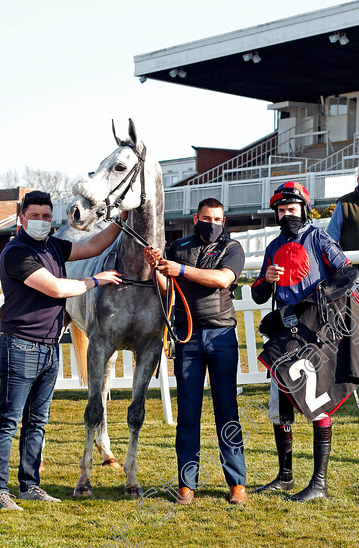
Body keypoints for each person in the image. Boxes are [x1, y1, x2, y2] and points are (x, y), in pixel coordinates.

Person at [0, 191, 124, 511]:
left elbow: (93, 245)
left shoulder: (54, 245)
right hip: (21, 344)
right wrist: (96, 280)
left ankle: (29, 484)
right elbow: (57, 288)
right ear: (22, 218)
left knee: (38, 421)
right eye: (35, 216)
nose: (41, 221)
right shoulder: (16, 252)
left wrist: (122, 221)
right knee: (9, 420)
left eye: (47, 217)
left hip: (49, 347)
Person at [251, 181, 350, 502]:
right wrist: (265, 281)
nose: (285, 216)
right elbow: (257, 294)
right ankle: (285, 477)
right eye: (280, 211)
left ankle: (318, 484)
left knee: (317, 401)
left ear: (303, 210)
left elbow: (348, 273)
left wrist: (323, 293)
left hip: (314, 331)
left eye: (291, 210)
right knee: (281, 407)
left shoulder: (318, 237)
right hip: (283, 330)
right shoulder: (273, 246)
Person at [146, 198, 247, 506]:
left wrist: (182, 269)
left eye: (218, 218)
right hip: (187, 337)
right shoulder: (179, 247)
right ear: (196, 218)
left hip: (222, 337)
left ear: (224, 220)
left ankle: (237, 482)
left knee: (226, 411)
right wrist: (157, 267)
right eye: (207, 217)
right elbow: (167, 289)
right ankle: (186, 483)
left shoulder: (233, 249)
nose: (213, 223)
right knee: (188, 413)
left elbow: (222, 279)